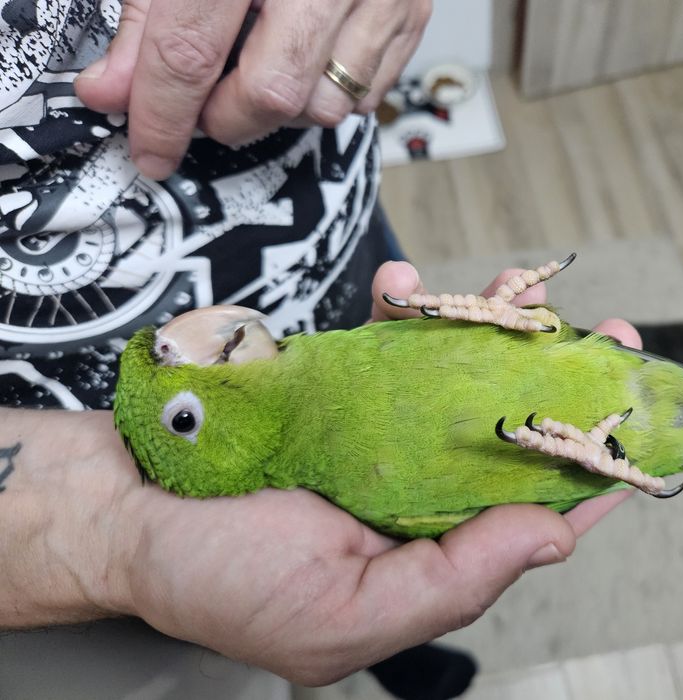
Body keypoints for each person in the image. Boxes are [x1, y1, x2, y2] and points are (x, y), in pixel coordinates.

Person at [0, 1, 638, 697]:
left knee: (415, 487)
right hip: (62, 442)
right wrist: (104, 530)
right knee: (369, 563)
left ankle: (404, 647)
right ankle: (399, 653)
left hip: (338, 238)